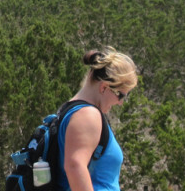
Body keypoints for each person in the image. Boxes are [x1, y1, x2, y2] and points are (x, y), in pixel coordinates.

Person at [56, 47, 138, 191]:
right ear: (104, 87)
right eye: (120, 95)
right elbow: (75, 166)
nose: (120, 102)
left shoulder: (69, 111)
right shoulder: (88, 115)